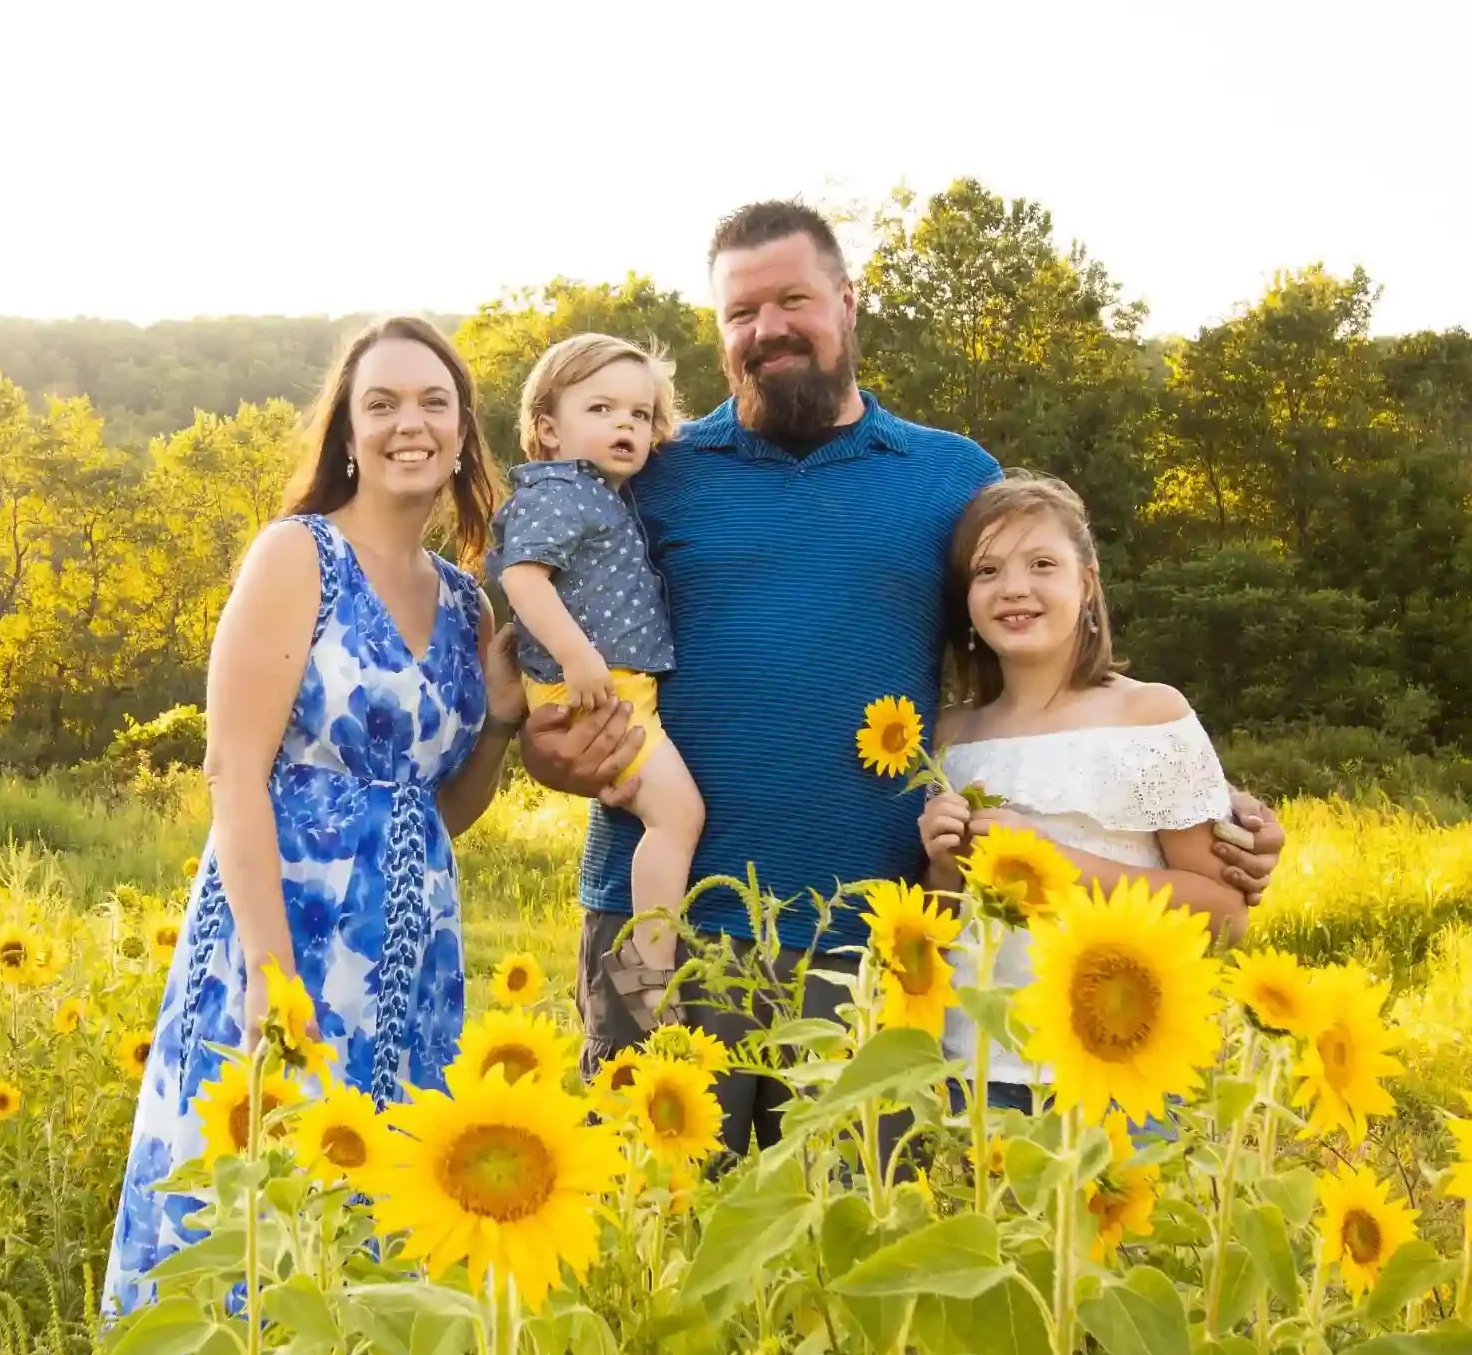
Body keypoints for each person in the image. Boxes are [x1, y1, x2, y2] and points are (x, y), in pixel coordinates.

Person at [522, 199, 1288, 1158]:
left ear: (848, 301)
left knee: (854, 1248)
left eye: (793, 299)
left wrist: (1206, 806)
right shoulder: (657, 472)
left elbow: (1028, 674)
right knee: (660, 1238)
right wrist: (543, 747)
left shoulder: (950, 475)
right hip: (668, 929)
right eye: (740, 313)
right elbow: (555, 634)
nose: (768, 330)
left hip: (878, 938)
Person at [101, 316, 527, 1318]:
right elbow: (232, 768)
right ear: (346, 431)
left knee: (380, 1222)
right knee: (244, 1206)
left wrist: (501, 726)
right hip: (281, 938)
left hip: (412, 962)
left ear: (464, 431)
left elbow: (440, 812)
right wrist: (268, 973)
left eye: (432, 402)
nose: (406, 423)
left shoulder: (467, 602)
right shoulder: (298, 555)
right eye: (379, 403)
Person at [920, 471, 1248, 1114]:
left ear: (1086, 582)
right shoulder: (950, 734)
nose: (1014, 588)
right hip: (969, 1069)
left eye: (1042, 563)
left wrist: (1051, 861)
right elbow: (942, 919)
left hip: (1114, 1069)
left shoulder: (1150, 716)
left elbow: (1224, 915)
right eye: (987, 571)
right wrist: (940, 866)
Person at [486, 335, 703, 1045]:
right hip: (597, 693)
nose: (626, 426)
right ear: (547, 428)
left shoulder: (597, 495)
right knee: (677, 816)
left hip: (613, 686)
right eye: (601, 407)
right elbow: (522, 578)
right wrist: (580, 659)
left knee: (671, 814)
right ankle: (648, 964)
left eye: (640, 415)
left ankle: (648, 956)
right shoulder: (556, 492)